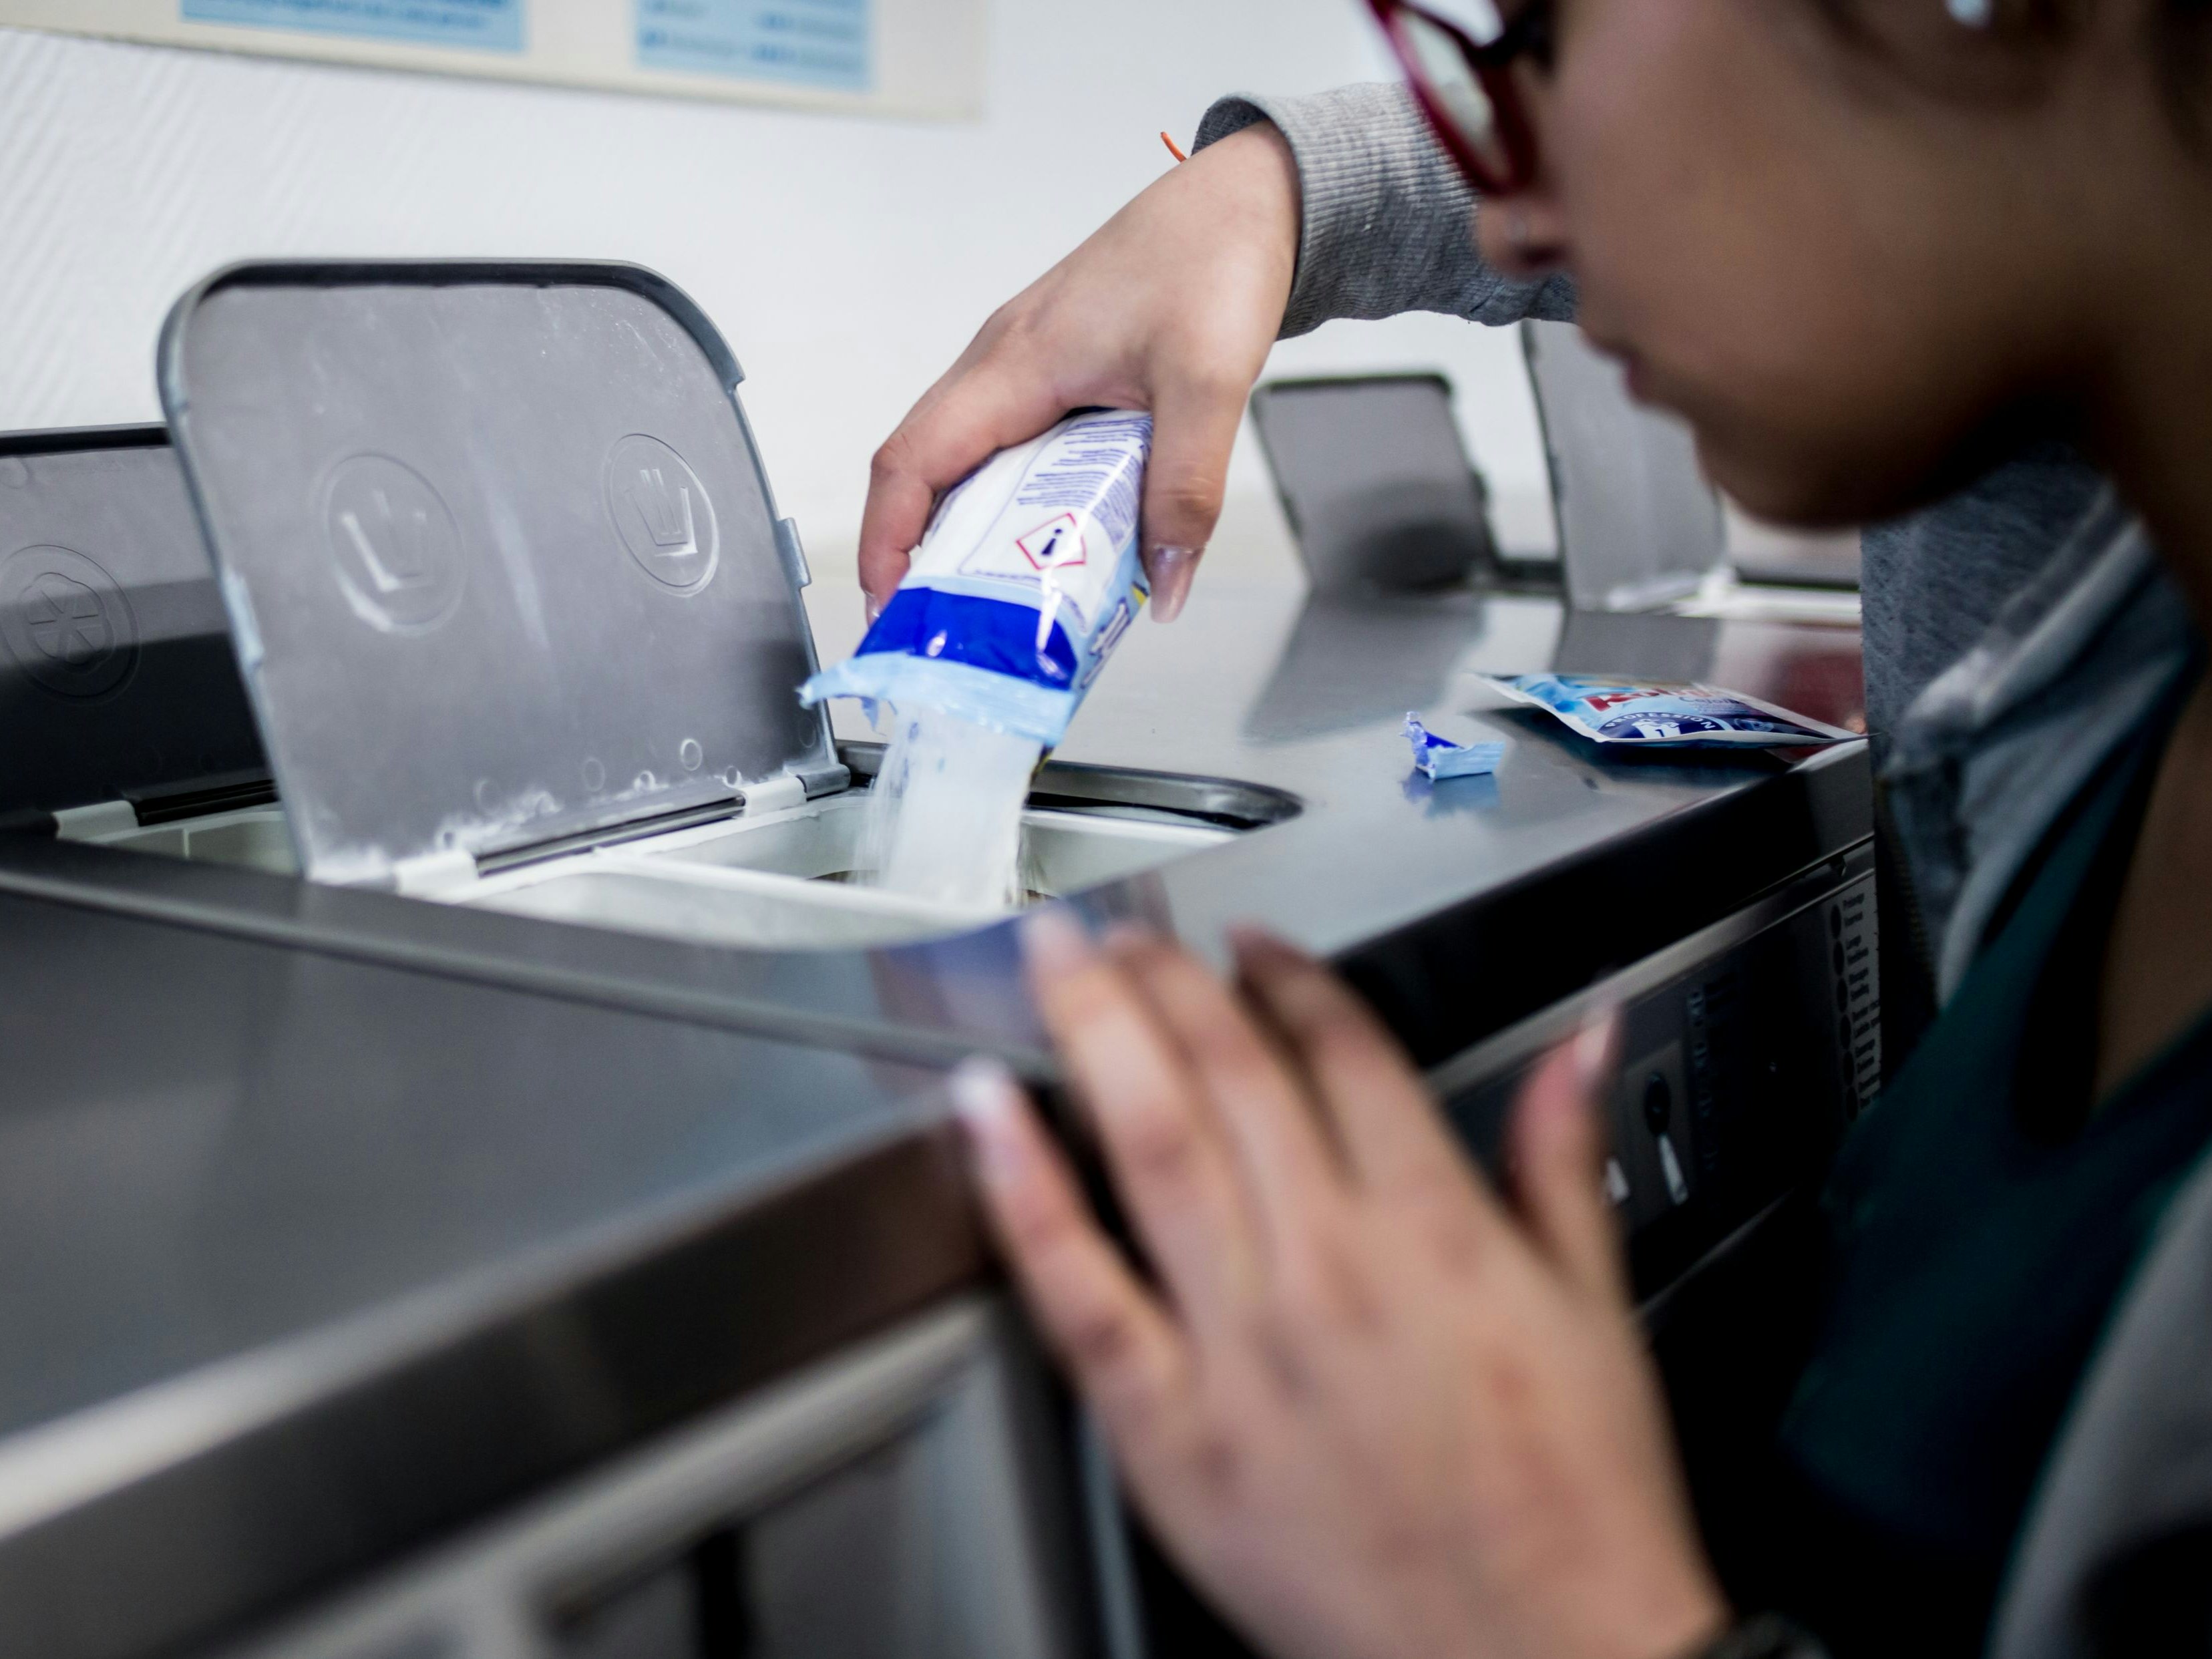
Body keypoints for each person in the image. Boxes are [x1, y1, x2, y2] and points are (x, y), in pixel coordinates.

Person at [874, 1, 2212, 1655]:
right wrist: (1275, 194)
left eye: (1539, 32)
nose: (1513, 214)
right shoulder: (2099, 668)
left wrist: (1569, 1618)